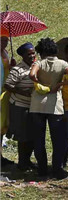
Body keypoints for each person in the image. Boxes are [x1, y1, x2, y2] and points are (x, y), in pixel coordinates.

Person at [28, 38, 68, 179]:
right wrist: (59, 85)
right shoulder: (62, 64)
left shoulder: (39, 63)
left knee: (39, 139)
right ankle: (57, 169)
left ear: (42, 51)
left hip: (37, 105)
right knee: (58, 139)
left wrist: (39, 83)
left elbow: (31, 74)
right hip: (55, 106)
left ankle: (42, 169)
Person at [6, 42, 37, 171]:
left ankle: (27, 160)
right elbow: (8, 85)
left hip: (33, 106)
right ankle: (22, 163)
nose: (32, 56)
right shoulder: (17, 69)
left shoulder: (36, 66)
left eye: (33, 53)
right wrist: (23, 92)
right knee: (23, 136)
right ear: (23, 56)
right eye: (29, 54)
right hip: (20, 106)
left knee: (32, 136)